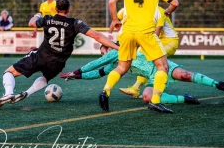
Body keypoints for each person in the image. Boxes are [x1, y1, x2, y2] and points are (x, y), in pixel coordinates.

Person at [0, 0, 119, 108]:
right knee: (45, 77)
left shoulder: (48, 19)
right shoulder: (74, 23)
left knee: (9, 72)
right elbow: (97, 36)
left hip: (41, 56)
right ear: (69, 9)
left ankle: (9, 93)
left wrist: (37, 15)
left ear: (55, 8)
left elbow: (31, 23)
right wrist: (117, 47)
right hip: (58, 63)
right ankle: (27, 93)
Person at [101, 0, 179, 113]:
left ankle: (106, 91)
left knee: (122, 67)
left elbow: (111, 1)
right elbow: (175, 3)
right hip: (146, 32)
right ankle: (155, 101)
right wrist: (167, 12)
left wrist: (115, 19)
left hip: (128, 32)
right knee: (162, 67)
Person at [60, 45, 224, 108]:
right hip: (153, 78)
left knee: (184, 75)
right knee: (147, 97)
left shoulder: (120, 50)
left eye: (107, 51)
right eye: (104, 54)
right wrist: (78, 76)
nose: (107, 55)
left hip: (161, 66)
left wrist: (76, 71)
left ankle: (217, 84)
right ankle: (185, 98)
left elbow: (95, 64)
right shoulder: (115, 64)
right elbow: (97, 72)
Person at [119, 6, 179, 97]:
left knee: (148, 57)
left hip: (170, 41)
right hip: (157, 40)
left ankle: (151, 88)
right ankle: (138, 88)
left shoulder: (159, 11)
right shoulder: (145, 12)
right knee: (142, 56)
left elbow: (156, 33)